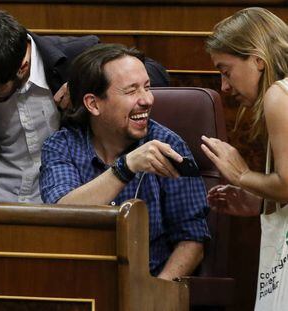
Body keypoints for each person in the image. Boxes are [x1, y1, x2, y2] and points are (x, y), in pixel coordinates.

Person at [0, 10, 170, 203]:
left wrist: (83, 84)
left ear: (22, 67)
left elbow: (156, 75)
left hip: (66, 203)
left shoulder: (77, 57)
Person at [39, 44, 210, 279]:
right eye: (132, 91)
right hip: (80, 286)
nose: (147, 100)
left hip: (151, 284)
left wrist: (155, 295)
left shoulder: (168, 145)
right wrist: (125, 167)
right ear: (93, 104)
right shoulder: (61, 146)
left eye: (147, 88)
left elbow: (192, 239)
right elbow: (63, 215)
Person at [201, 7, 288, 310]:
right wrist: (261, 200)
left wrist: (241, 174)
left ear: (257, 60)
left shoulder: (279, 94)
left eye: (226, 71)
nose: (224, 86)